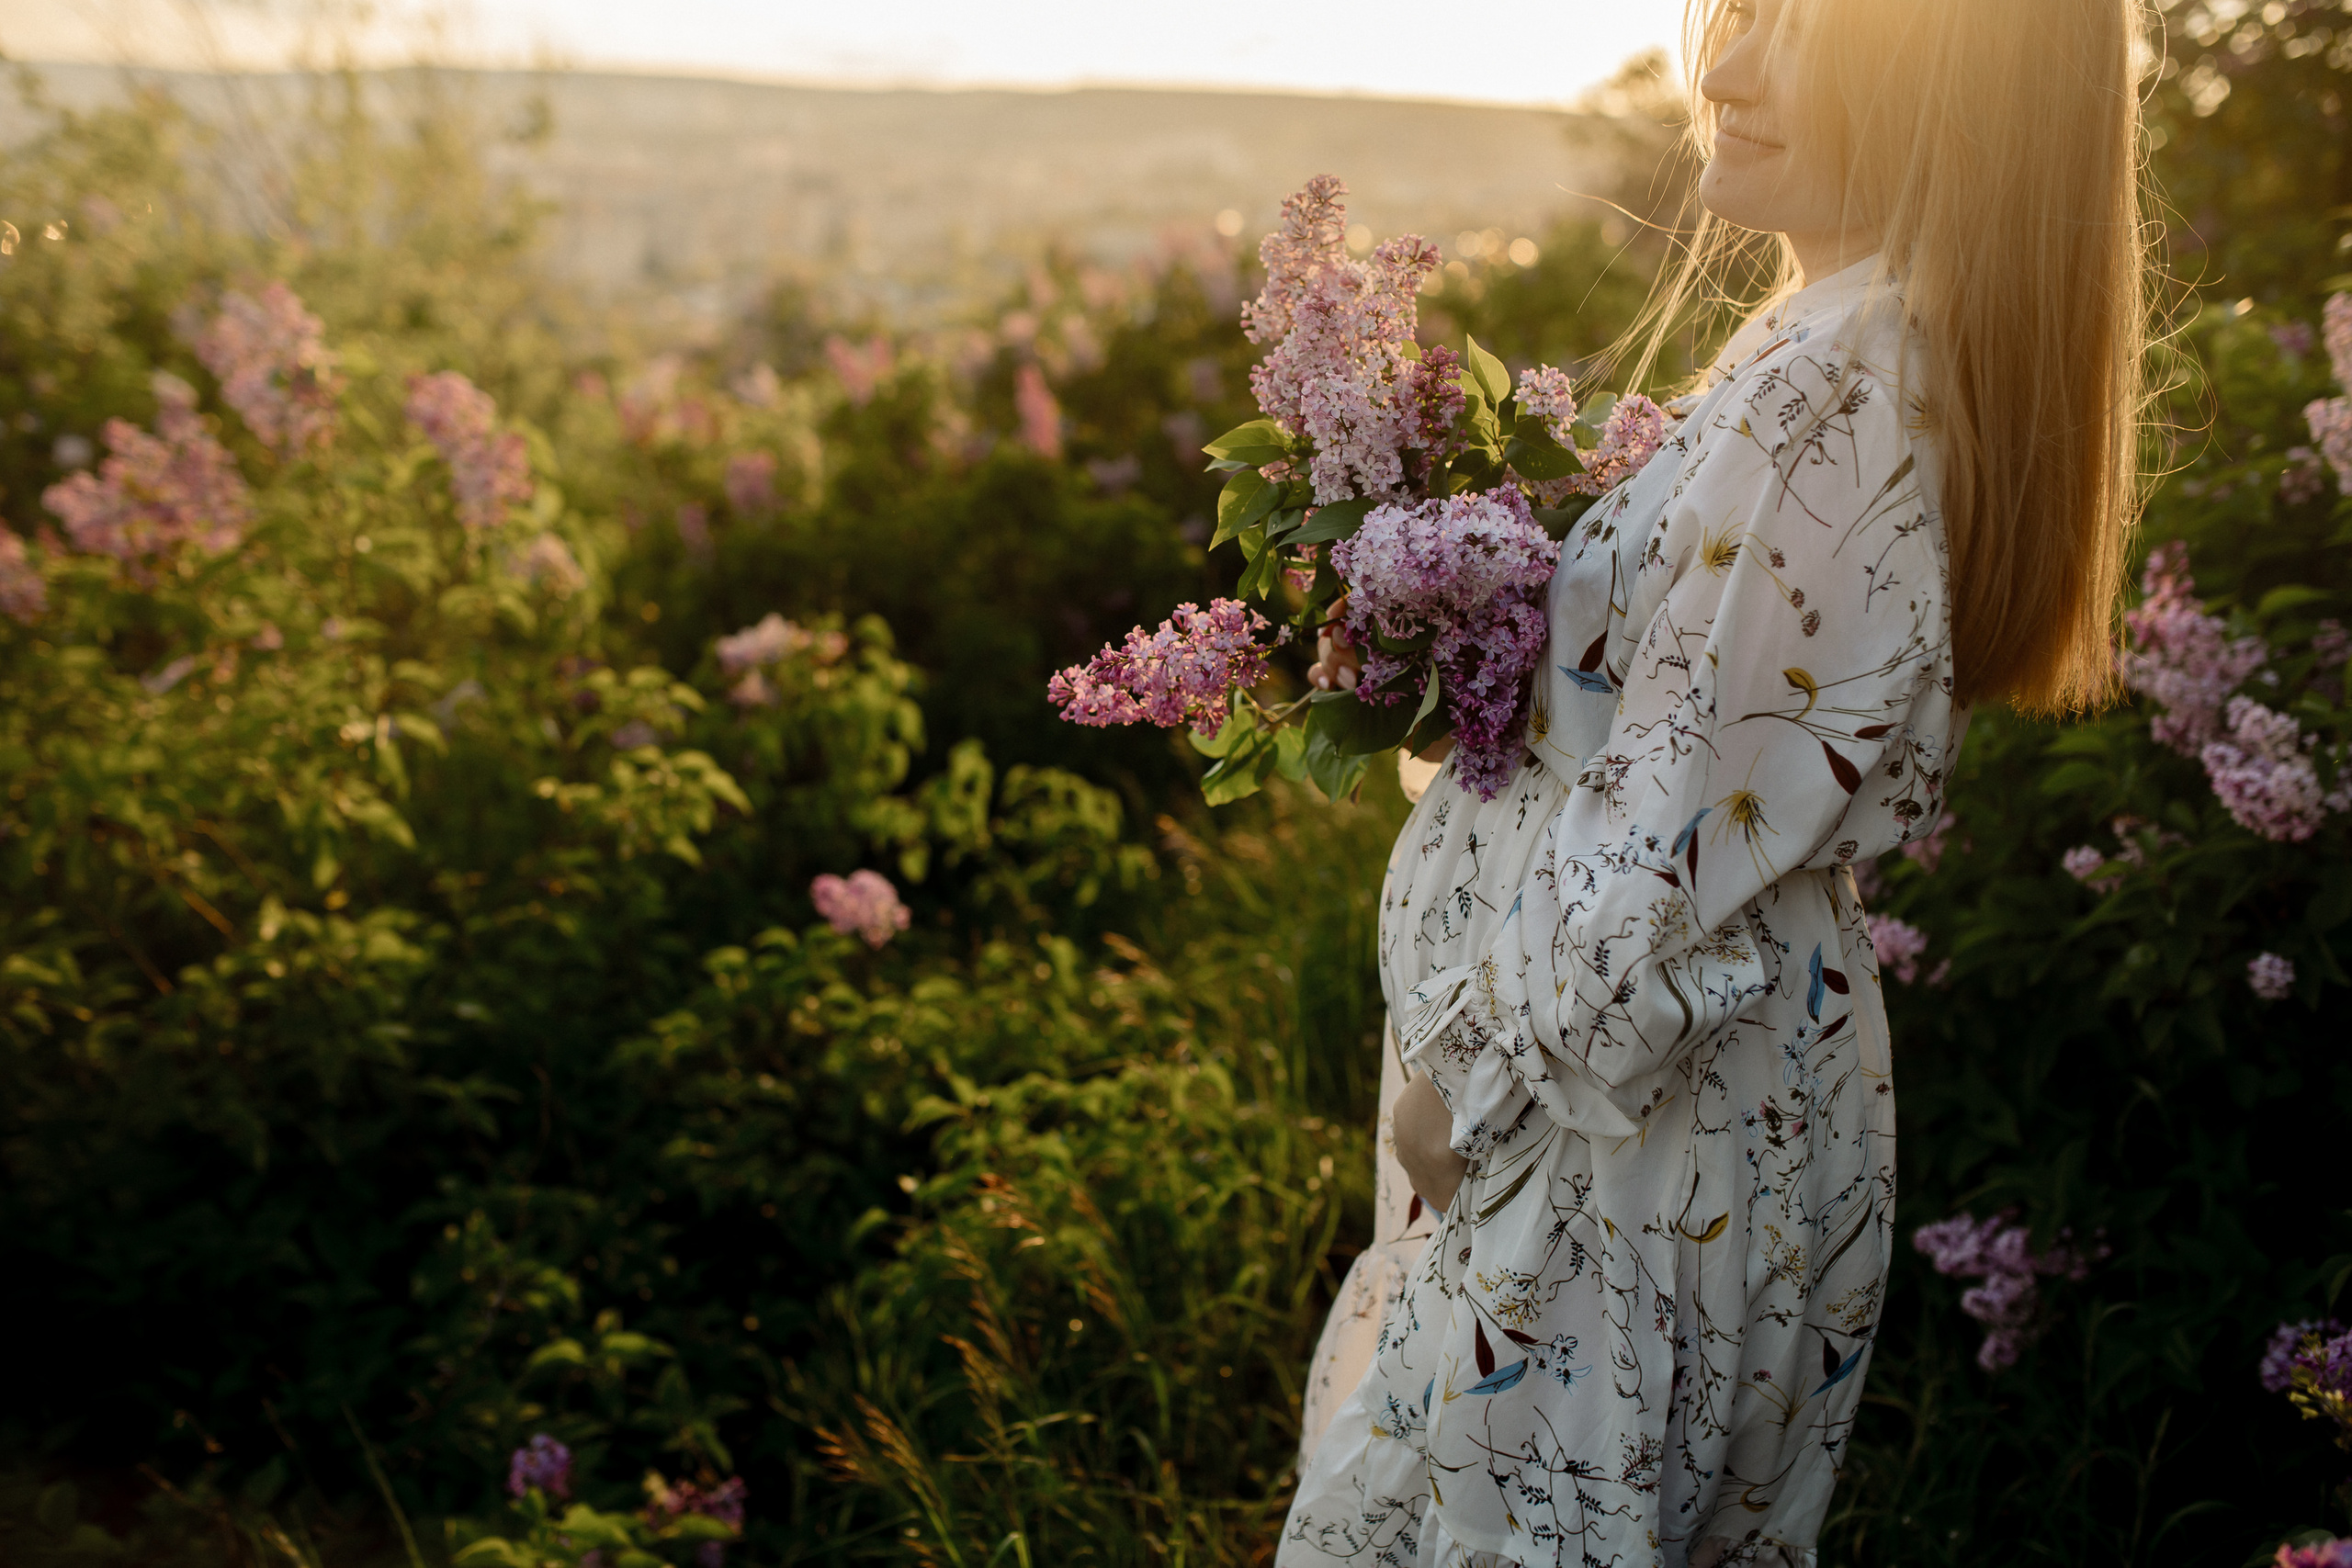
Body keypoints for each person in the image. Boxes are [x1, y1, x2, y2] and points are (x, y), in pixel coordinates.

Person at [1280, 0, 2150, 1562]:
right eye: (1741, 13)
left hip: (1621, 1121)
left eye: (1809, 30)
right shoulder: (1844, 343)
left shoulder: (1839, 386)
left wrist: (1457, 1084)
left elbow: (1662, 839)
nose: (1728, 67)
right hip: (1653, 1099)